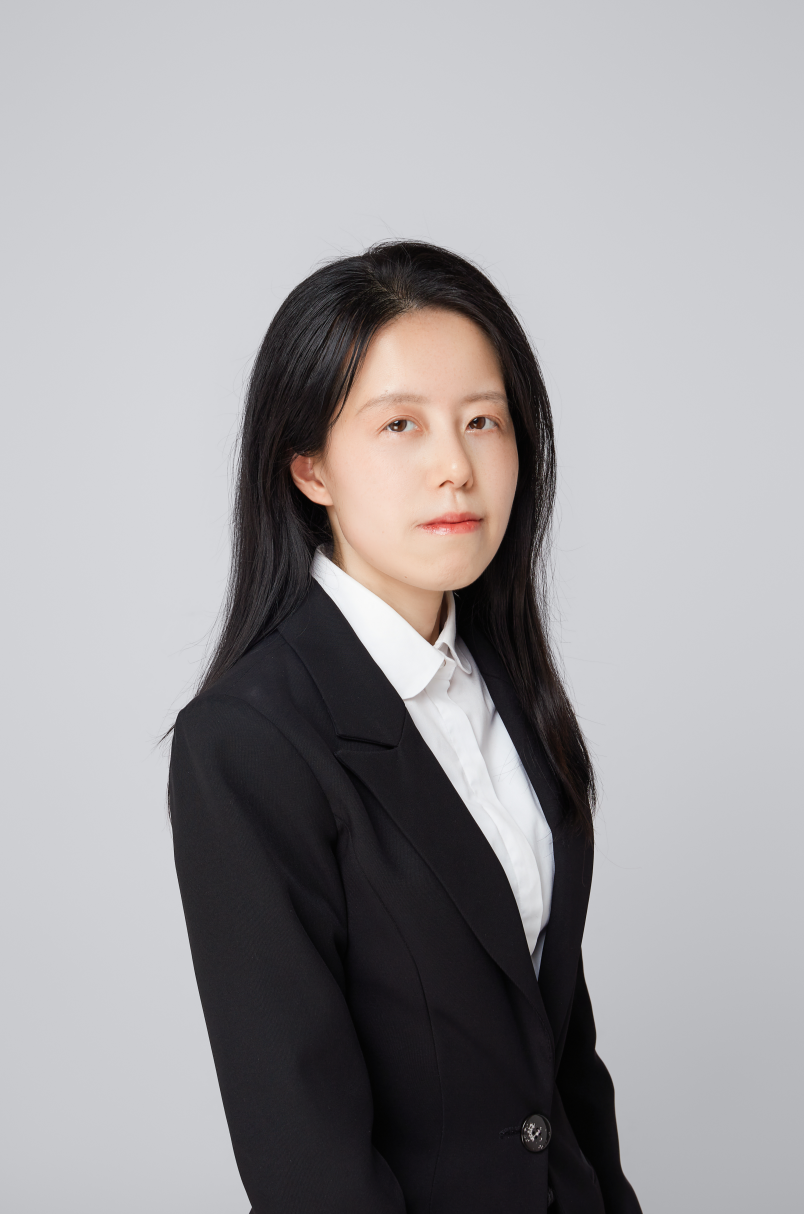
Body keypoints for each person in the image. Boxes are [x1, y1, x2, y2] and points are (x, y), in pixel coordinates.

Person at [169, 241, 642, 1214]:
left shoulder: (509, 684)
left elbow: (558, 1053)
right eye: (400, 425)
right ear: (310, 467)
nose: (456, 467)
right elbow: (304, 1152)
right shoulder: (248, 740)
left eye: (483, 420)